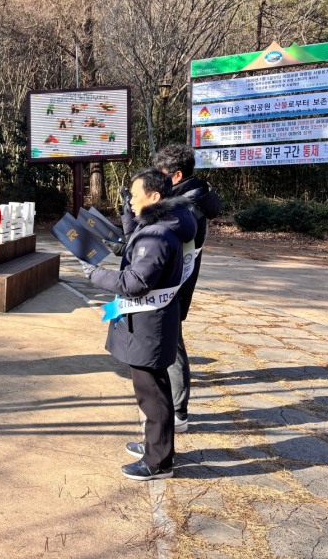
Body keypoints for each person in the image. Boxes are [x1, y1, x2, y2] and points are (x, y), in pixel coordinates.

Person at [80, 169, 196, 481]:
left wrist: (94, 274)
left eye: (134, 194)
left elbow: (136, 281)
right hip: (152, 322)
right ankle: (155, 447)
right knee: (153, 390)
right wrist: (127, 209)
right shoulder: (164, 224)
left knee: (153, 395)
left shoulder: (157, 235)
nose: (130, 200)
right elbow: (134, 240)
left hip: (148, 325)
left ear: (155, 197)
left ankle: (158, 462)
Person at [153, 144, 221, 432]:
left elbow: (162, 241)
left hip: (173, 285)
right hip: (175, 281)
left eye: (161, 173)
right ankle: (173, 407)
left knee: (172, 345)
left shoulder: (187, 207)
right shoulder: (187, 197)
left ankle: (178, 412)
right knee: (169, 342)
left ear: (177, 175)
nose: (155, 178)